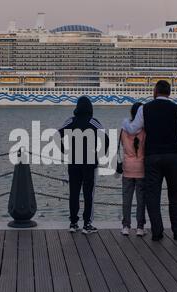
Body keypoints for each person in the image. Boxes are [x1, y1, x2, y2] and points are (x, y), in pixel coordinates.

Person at [122, 80, 177, 241]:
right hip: (174, 157)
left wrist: (124, 122)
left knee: (153, 196)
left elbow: (133, 129)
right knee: (176, 196)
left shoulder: (145, 109)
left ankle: (157, 232)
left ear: (155, 91)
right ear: (169, 92)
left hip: (152, 157)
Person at [58, 96, 109, 235]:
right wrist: (100, 155)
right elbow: (106, 138)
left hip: (73, 161)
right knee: (88, 194)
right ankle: (87, 225)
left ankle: (73, 223)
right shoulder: (93, 122)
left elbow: (56, 135)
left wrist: (65, 150)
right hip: (89, 162)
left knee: (73, 192)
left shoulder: (71, 121)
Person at [119, 102, 147, 237]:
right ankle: (140, 227)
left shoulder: (123, 129)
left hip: (127, 168)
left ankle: (125, 226)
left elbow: (121, 147)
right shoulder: (145, 130)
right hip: (141, 168)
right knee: (141, 199)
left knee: (127, 199)